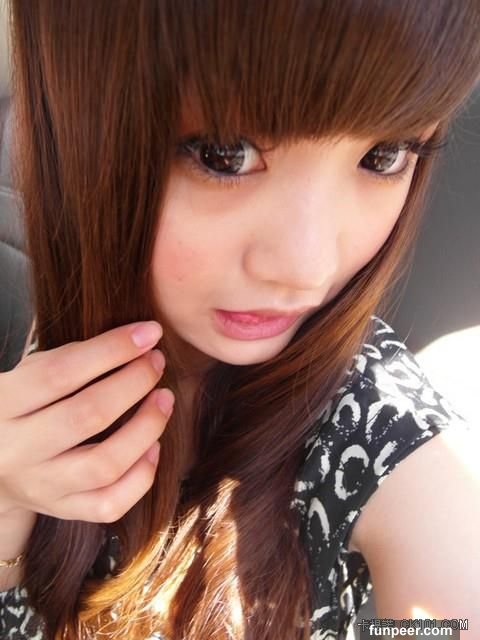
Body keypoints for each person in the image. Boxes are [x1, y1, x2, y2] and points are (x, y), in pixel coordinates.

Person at [0, 1, 479, 638]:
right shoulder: (75, 330)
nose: (307, 269)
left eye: (385, 156)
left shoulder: (379, 429)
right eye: (225, 155)